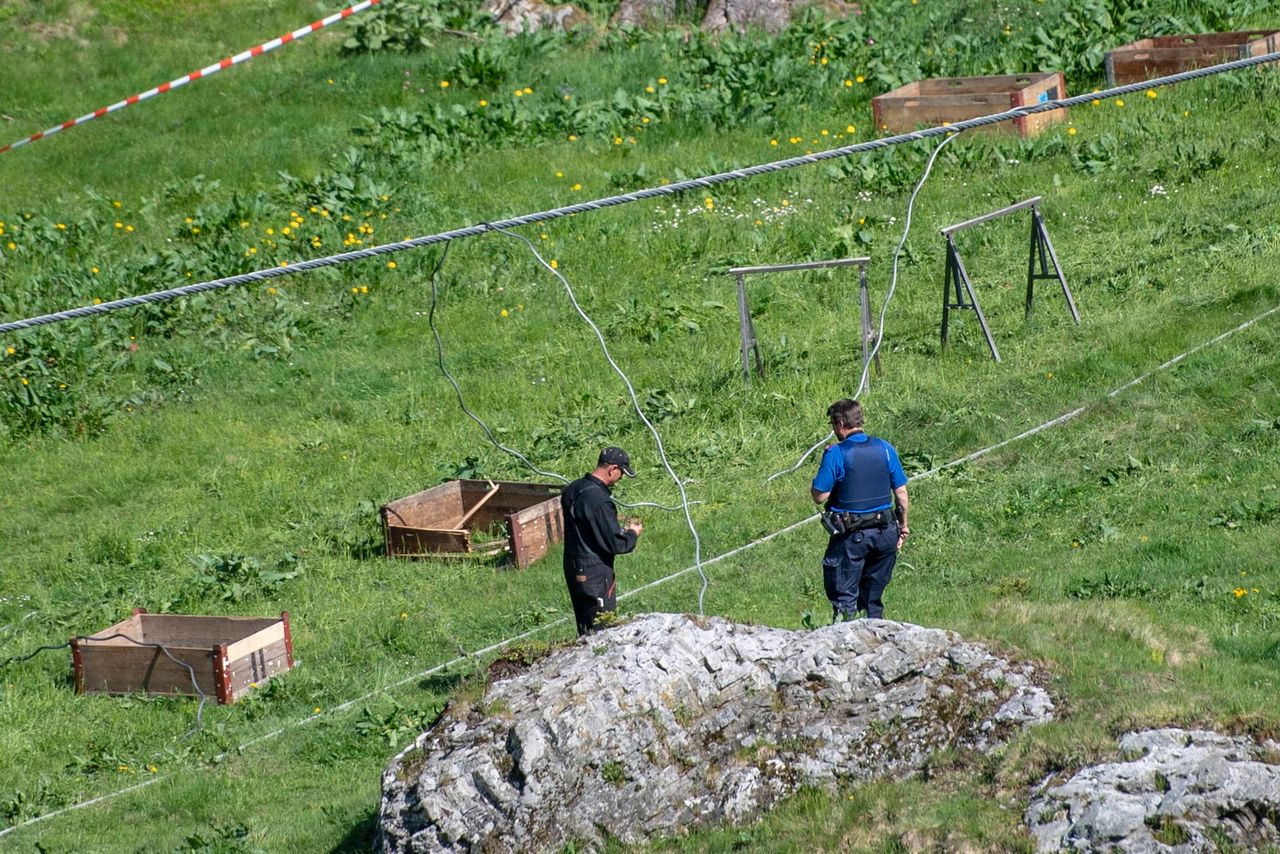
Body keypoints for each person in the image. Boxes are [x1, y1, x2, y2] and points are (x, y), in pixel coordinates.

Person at [810, 398, 909, 622]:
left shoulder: (837, 453)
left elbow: (819, 496)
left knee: (845, 600)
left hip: (852, 537)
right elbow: (901, 494)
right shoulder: (885, 448)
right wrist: (903, 525)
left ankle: (847, 647)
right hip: (885, 533)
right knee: (873, 599)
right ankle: (877, 641)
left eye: (833, 425)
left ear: (840, 424)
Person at [560, 447, 644, 636]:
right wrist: (632, 533)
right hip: (595, 572)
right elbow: (616, 544)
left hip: (573, 565)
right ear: (612, 469)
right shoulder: (599, 500)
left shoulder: (573, 489)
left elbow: (587, 526)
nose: (621, 477)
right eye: (621, 472)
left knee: (584, 624)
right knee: (602, 627)